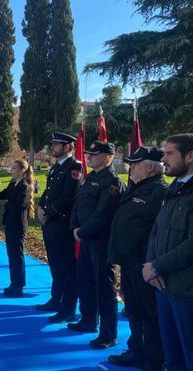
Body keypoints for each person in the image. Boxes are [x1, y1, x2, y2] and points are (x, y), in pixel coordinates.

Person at [142, 133, 193, 371]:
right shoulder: (176, 186)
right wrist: (149, 263)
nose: (163, 159)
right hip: (165, 287)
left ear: (191, 156)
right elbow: (157, 230)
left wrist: (157, 266)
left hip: (191, 291)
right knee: (174, 359)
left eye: (169, 153)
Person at [107, 147, 168, 371]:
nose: (130, 167)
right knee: (133, 310)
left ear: (150, 167)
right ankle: (136, 351)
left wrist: (151, 264)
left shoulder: (160, 191)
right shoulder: (138, 187)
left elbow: (160, 232)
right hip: (129, 261)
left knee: (150, 316)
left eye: (135, 163)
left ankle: (155, 366)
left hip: (145, 265)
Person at [68, 141, 125, 349]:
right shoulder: (90, 177)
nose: (89, 157)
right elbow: (78, 204)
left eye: (94, 154)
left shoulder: (112, 182)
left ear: (107, 157)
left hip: (101, 241)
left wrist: (81, 232)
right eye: (89, 153)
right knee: (84, 281)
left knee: (104, 287)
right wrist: (75, 226)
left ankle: (108, 334)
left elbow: (103, 215)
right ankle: (88, 320)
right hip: (85, 239)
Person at [36, 131, 82, 323]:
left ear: (67, 147)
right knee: (55, 265)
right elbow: (48, 191)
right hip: (51, 224)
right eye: (53, 144)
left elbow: (69, 195)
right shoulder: (56, 167)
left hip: (62, 224)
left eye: (56, 144)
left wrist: (50, 212)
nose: (52, 147)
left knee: (67, 268)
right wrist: (40, 207)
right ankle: (56, 299)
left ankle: (68, 308)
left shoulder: (75, 166)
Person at [0, 159, 35, 297]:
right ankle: (14, 283)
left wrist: (9, 204)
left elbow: (17, 206)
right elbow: (2, 195)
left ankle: (19, 285)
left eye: (14, 168)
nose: (12, 170)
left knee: (17, 255)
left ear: (22, 170)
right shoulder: (13, 184)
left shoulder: (24, 187)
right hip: (10, 223)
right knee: (12, 255)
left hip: (18, 225)